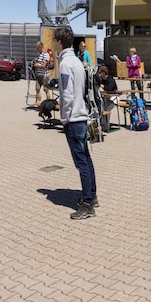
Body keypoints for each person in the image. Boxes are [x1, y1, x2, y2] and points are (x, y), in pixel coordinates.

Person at [55, 26, 97, 220]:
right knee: (86, 159)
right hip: (82, 115)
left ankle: (87, 203)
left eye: (54, 41)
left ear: (59, 42)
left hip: (73, 118)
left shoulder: (65, 64)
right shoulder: (78, 62)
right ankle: (92, 196)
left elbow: (67, 94)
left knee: (81, 162)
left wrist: (64, 117)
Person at [93, 65, 119, 132]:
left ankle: (105, 125)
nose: (99, 74)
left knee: (106, 109)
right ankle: (102, 124)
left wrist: (101, 86)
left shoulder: (111, 79)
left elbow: (109, 88)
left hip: (113, 98)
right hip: (105, 98)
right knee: (101, 108)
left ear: (104, 73)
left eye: (100, 73)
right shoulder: (101, 80)